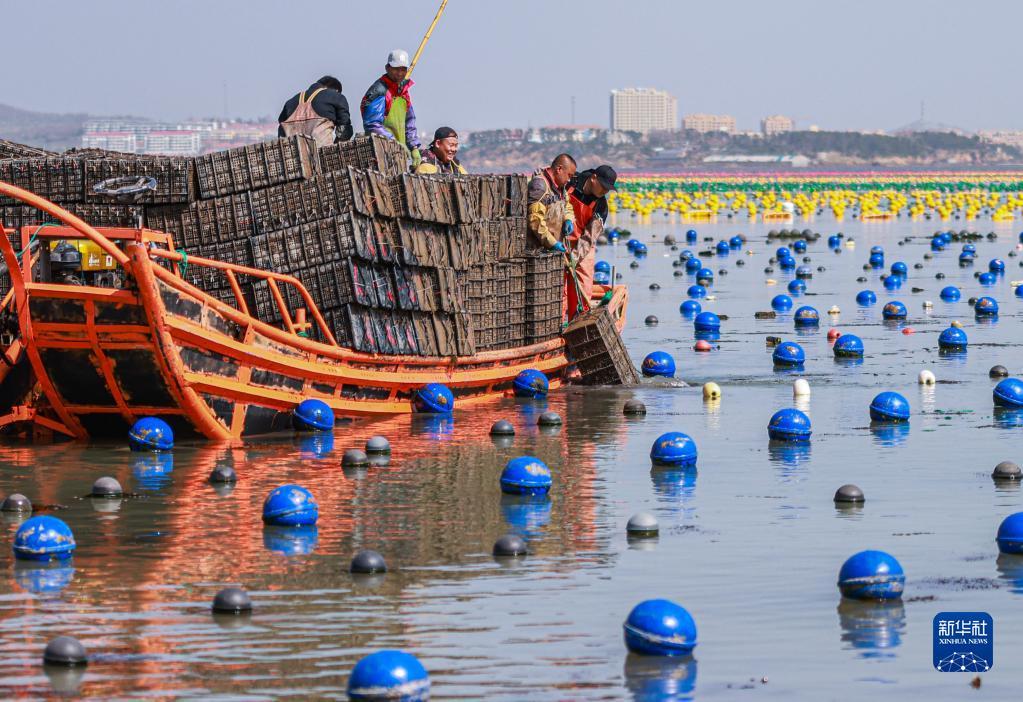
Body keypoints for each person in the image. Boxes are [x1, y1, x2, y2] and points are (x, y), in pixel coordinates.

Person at [565, 164, 617, 318]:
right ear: (593, 178)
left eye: (608, 189)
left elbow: (589, 237)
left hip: (582, 245)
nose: (605, 191)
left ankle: (579, 320)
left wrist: (573, 259)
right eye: (603, 186)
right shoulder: (571, 182)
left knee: (583, 283)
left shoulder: (601, 206)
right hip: (559, 241)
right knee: (558, 286)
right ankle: (559, 321)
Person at [361, 49, 422, 168]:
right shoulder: (379, 90)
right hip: (379, 153)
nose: (400, 73)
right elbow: (372, 124)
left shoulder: (403, 92)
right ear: (387, 68)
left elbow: (409, 121)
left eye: (403, 69)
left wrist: (413, 147)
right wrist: (395, 143)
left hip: (398, 154)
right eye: (396, 69)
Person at [278, 76, 353, 147]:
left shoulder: (290, 102)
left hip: (292, 156)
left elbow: (281, 131)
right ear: (336, 91)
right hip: (322, 153)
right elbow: (344, 130)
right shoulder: (336, 96)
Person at [526, 153, 576, 253]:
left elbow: (567, 206)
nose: (569, 180)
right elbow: (535, 220)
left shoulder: (561, 187)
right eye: (569, 175)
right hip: (537, 251)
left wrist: (568, 219)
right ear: (559, 169)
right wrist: (552, 243)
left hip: (552, 250)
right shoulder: (540, 186)